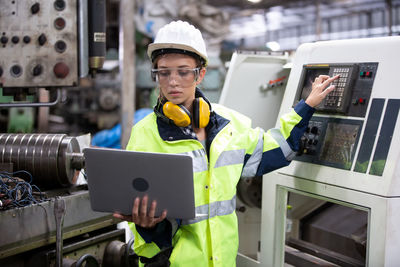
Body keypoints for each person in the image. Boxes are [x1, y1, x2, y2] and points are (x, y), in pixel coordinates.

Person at [113, 20, 339, 266]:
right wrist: (146, 225)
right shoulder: (144, 134)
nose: (173, 81)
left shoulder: (230, 126)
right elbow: (137, 206)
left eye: (183, 71)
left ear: (200, 74)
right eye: (164, 72)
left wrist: (307, 106)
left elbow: (279, 149)